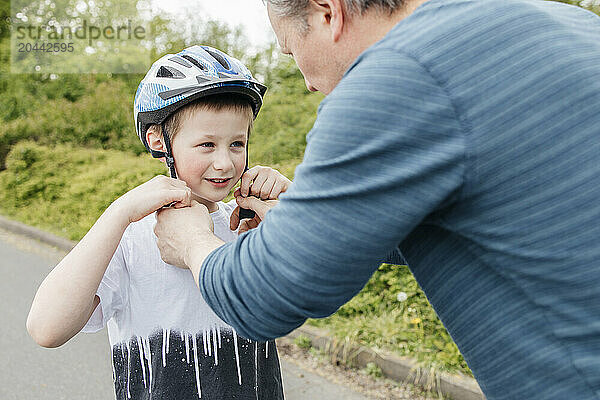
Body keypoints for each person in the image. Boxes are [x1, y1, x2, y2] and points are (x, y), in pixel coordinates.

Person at [154, 1, 600, 399]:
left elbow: (264, 297)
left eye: (291, 50)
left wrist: (192, 241)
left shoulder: (400, 74)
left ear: (327, 12)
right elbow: (468, 217)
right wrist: (303, 216)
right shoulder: (568, 22)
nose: (307, 82)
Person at [26, 45, 290, 400]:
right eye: (207, 144)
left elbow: (287, 307)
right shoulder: (133, 236)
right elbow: (46, 328)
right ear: (158, 140)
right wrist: (119, 213)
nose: (226, 163)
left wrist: (287, 216)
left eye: (237, 143)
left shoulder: (247, 225)